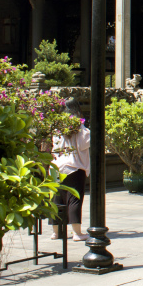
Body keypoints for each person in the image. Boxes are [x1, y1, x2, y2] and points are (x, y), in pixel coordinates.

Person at [51, 98, 91, 241]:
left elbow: (54, 147)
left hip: (58, 167)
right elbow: (85, 143)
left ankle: (56, 232)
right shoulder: (79, 127)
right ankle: (77, 232)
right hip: (75, 167)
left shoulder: (58, 128)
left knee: (58, 199)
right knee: (74, 199)